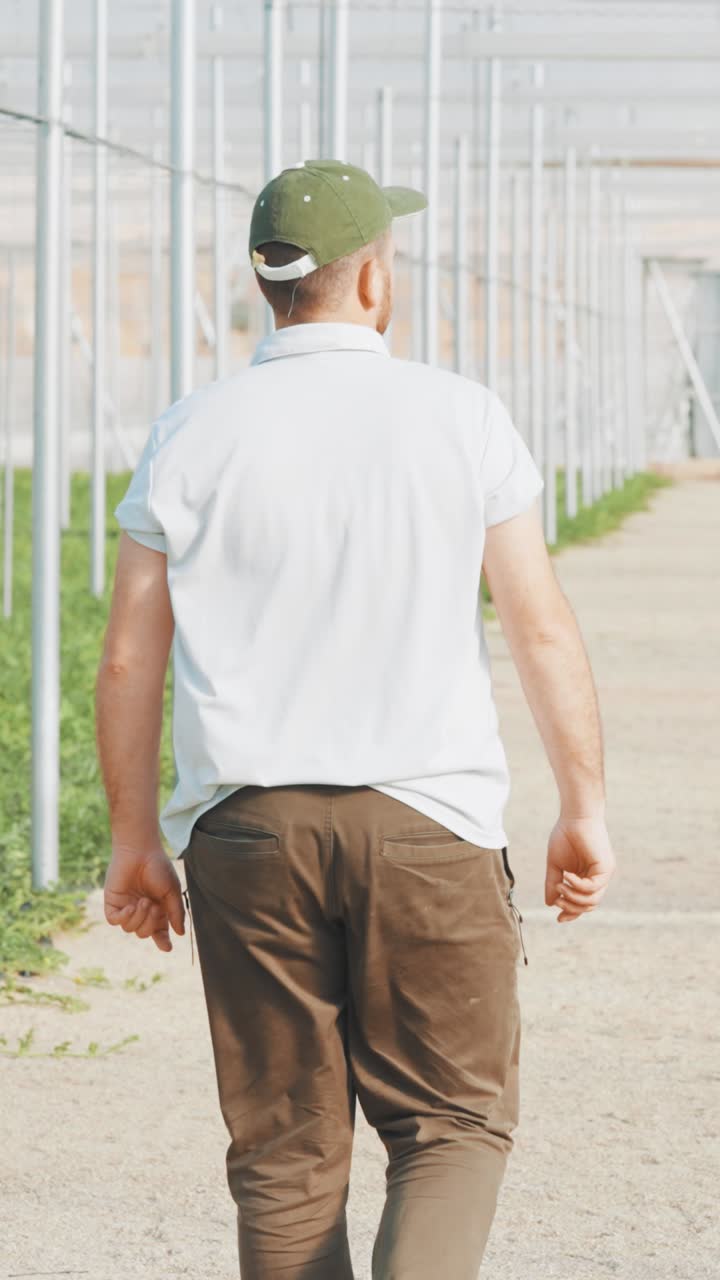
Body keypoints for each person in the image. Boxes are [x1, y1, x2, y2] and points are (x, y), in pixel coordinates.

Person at [97, 159, 616, 1280]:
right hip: (429, 822)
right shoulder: (459, 416)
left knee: (283, 1155)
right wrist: (585, 804)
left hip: (247, 832)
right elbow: (541, 630)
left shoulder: (193, 431)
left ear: (263, 285)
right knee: (448, 1126)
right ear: (373, 280)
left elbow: (133, 651)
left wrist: (134, 835)